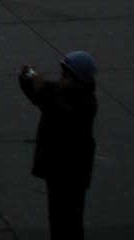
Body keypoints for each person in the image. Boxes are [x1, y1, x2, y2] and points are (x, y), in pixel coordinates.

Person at [19, 51, 97, 240]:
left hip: (71, 172)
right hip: (58, 170)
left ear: (79, 80)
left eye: (66, 76)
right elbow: (41, 95)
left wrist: (40, 90)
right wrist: (27, 77)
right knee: (59, 220)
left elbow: (58, 112)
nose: (61, 80)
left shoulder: (85, 103)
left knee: (68, 221)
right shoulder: (62, 93)